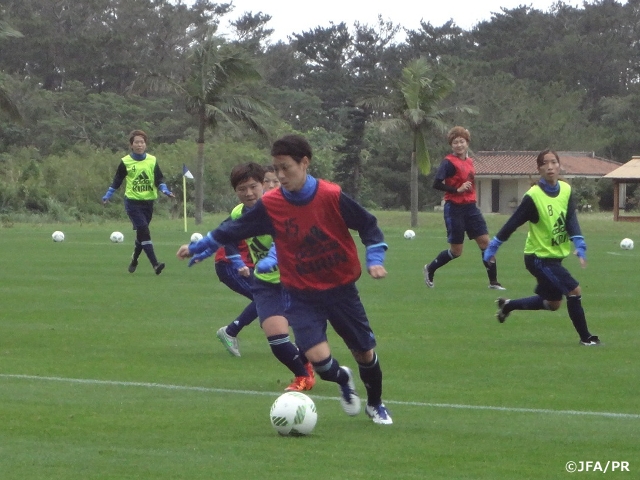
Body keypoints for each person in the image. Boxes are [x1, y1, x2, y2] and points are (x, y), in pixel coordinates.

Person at [177, 134, 392, 425]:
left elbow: (368, 225)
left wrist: (375, 259)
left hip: (341, 289)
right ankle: (342, 378)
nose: (279, 175)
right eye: (275, 169)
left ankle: (376, 404)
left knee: (364, 352)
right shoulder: (273, 204)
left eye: (285, 168)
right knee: (320, 361)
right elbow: (233, 229)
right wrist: (202, 246)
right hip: (300, 293)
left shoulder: (330, 195)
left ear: (305, 163)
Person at [189, 162, 316, 392]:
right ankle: (302, 375)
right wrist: (204, 250)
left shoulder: (280, 206)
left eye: (252, 187)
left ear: (263, 185)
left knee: (309, 338)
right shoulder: (238, 212)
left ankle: (318, 369)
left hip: (296, 279)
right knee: (277, 339)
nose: (248, 193)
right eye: (241, 189)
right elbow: (224, 234)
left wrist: (271, 259)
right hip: (267, 283)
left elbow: (283, 239)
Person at [483, 149, 601, 346]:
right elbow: (513, 223)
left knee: (553, 303)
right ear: (539, 169)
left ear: (559, 165)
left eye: (553, 162)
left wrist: (579, 244)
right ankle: (586, 338)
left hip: (554, 256)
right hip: (538, 258)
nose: (550, 166)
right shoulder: (534, 196)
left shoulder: (566, 189)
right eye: (545, 163)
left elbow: (570, 219)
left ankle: (508, 305)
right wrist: (493, 246)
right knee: (574, 291)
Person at [423, 126, 505, 290]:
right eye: (455, 142)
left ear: (467, 143)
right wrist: (456, 190)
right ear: (451, 145)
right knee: (456, 251)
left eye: (461, 141)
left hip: (471, 208)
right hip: (454, 208)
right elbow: (436, 184)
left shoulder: (469, 161)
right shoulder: (448, 162)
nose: (459, 145)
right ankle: (430, 268)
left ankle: (493, 282)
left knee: (485, 243)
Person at [211, 166, 281, 357]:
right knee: (265, 300)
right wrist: (238, 263)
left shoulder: (273, 206)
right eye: (269, 181)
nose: (273, 185)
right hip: (230, 265)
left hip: (253, 265)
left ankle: (233, 331)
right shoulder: (243, 211)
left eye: (277, 181)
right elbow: (226, 235)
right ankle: (231, 332)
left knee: (271, 300)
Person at [102, 129, 174, 274]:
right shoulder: (125, 162)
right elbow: (117, 180)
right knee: (144, 231)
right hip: (133, 203)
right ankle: (155, 264)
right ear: (131, 145)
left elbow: (159, 179)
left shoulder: (152, 160)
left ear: (145, 144)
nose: (139, 145)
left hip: (148, 203)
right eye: (136, 142)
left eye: (142, 142)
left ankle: (135, 258)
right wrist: (107, 195)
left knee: (142, 234)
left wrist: (165, 191)